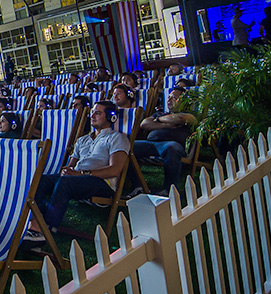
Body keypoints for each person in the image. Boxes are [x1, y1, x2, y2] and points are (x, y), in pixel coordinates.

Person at [24, 101, 130, 242]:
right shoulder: (82, 139)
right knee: (42, 180)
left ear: (112, 118)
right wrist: (67, 170)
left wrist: (80, 174)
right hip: (78, 180)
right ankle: (36, 223)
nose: (92, 116)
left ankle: (47, 229)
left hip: (102, 183)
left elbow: (115, 170)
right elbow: (71, 165)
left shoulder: (117, 138)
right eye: (92, 112)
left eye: (98, 113)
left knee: (65, 183)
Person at [128, 87, 197, 196]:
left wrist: (157, 122)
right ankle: (138, 186)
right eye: (168, 97)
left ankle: (169, 189)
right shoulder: (160, 114)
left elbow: (180, 118)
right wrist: (164, 123)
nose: (169, 100)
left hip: (172, 144)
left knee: (171, 148)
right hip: (151, 144)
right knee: (126, 147)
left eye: (173, 98)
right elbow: (144, 123)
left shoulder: (190, 115)